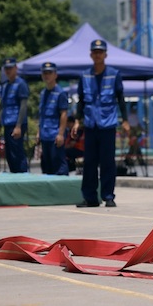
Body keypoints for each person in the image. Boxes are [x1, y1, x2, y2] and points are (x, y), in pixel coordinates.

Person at [73, 39, 130, 207]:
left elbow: (120, 99)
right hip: (91, 125)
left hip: (108, 124)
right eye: (95, 52)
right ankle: (90, 197)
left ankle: (108, 196)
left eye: (100, 52)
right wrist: (77, 120)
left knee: (107, 162)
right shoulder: (85, 76)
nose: (97, 55)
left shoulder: (114, 74)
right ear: (91, 55)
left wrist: (125, 120)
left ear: (105, 54)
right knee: (89, 162)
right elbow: (81, 101)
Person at [37, 62, 69, 175]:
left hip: (55, 136)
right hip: (45, 135)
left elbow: (64, 114)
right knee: (46, 167)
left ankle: (63, 190)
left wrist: (60, 134)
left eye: (49, 73)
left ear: (55, 75)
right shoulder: (43, 93)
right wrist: (38, 132)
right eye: (44, 73)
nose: (47, 76)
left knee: (59, 167)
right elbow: (42, 115)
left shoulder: (60, 93)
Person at [0, 57, 30, 173]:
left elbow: (23, 106)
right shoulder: (5, 85)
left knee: (17, 153)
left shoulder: (20, 84)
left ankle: (22, 176)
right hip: (7, 123)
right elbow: (3, 106)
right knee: (9, 154)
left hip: (16, 123)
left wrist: (18, 126)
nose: (8, 71)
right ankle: (14, 176)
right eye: (6, 69)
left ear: (16, 68)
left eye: (10, 68)